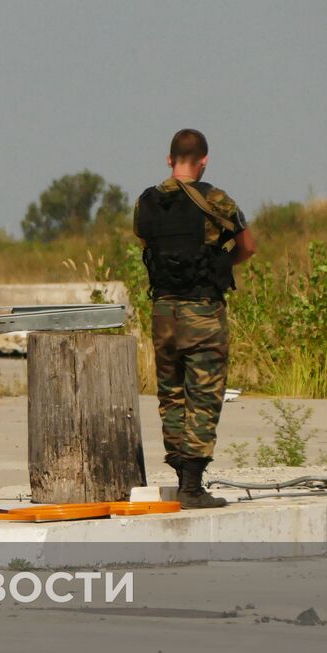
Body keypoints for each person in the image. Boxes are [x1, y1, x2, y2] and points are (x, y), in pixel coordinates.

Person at [134, 129, 256, 509]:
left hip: (163, 311)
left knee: (171, 395)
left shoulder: (146, 202)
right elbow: (248, 247)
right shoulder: (216, 199)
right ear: (203, 161)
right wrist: (219, 265)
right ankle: (191, 487)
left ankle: (180, 474)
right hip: (202, 311)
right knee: (203, 396)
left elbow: (146, 246)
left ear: (170, 160)